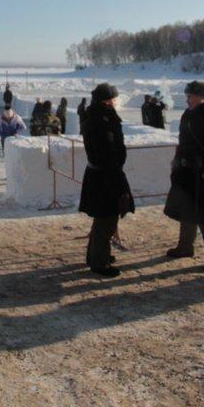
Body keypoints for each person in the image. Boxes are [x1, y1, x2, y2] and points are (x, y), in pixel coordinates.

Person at [164, 81, 204, 271]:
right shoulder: (186, 115)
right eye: (188, 95)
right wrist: (177, 161)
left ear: (201, 97)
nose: (188, 99)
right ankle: (185, 247)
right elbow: (182, 143)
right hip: (186, 172)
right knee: (186, 211)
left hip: (203, 174)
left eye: (191, 95)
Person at [79, 83, 132, 278]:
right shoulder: (103, 120)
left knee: (101, 219)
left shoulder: (94, 116)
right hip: (106, 175)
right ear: (107, 101)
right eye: (114, 99)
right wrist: (118, 179)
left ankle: (94, 256)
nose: (116, 102)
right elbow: (109, 152)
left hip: (99, 174)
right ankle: (99, 263)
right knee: (107, 220)